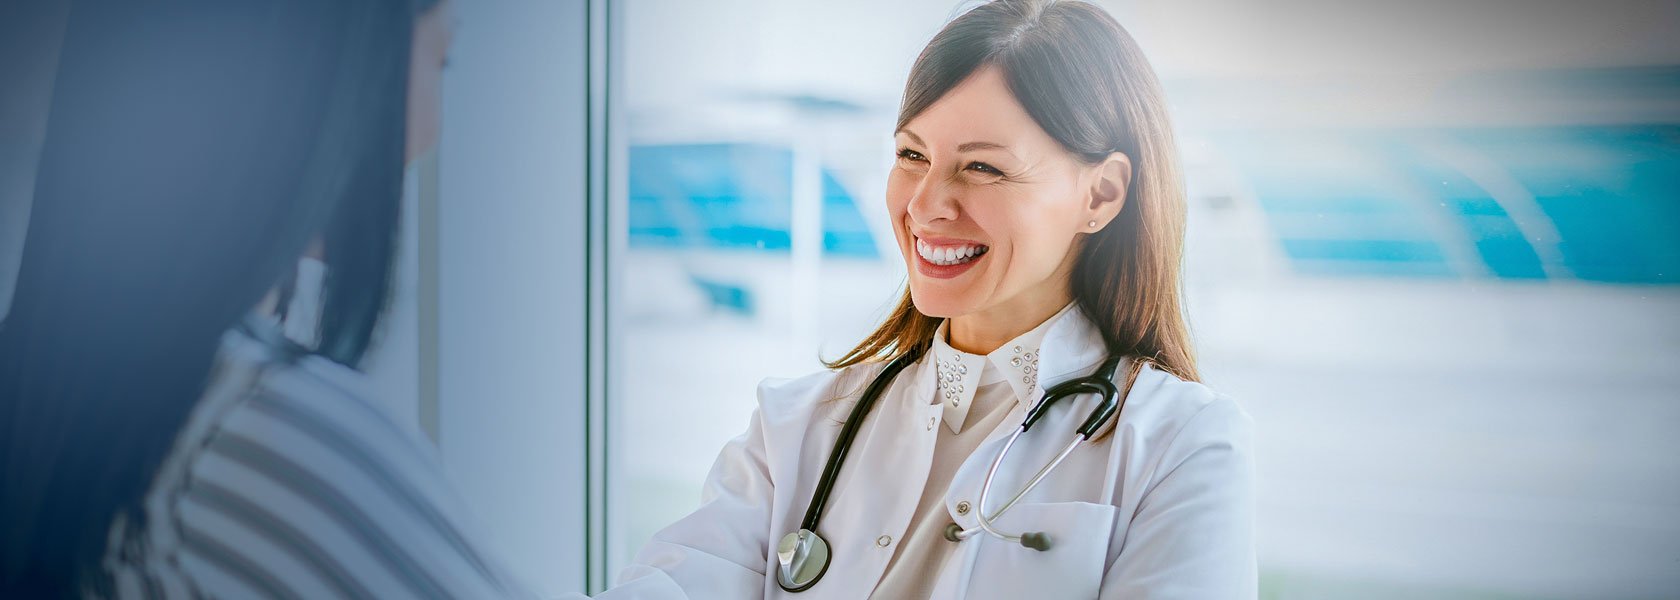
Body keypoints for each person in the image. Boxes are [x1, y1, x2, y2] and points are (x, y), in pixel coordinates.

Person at [596, 1, 1256, 598]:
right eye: (912, 154)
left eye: (983, 166)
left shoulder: (1182, 445)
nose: (924, 204)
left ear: (1101, 195)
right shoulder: (795, 427)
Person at [0, 0, 546, 597]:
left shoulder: (70, 385)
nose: (432, 129)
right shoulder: (256, 431)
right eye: (444, 62)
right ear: (338, 75)